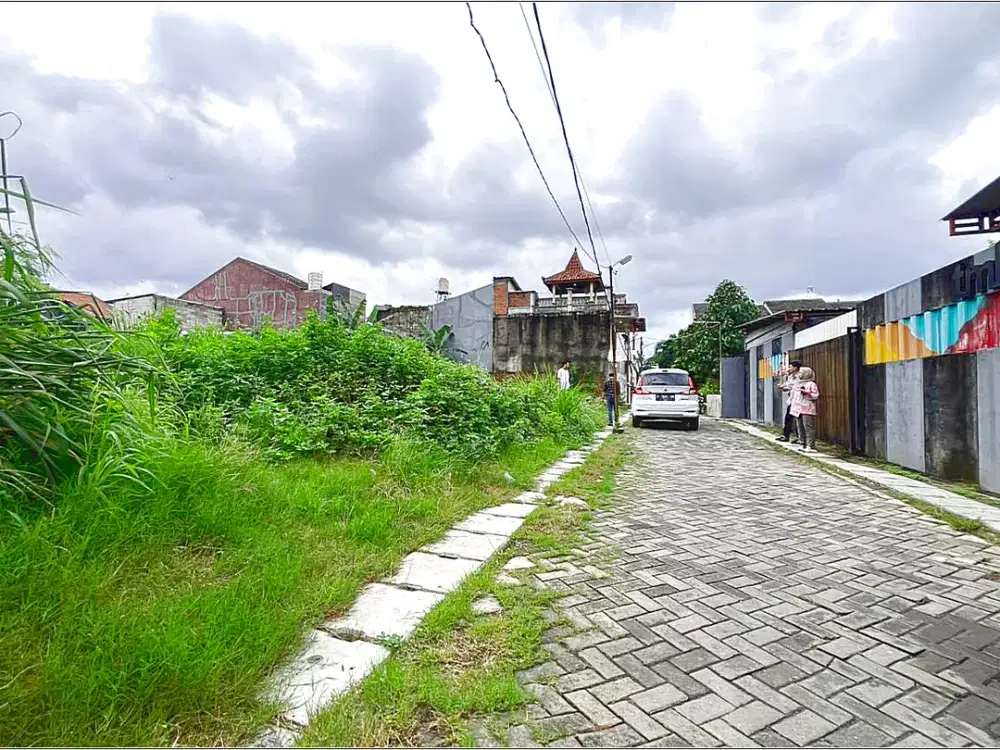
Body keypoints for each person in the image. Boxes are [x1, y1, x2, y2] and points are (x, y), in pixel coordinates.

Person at [791, 366, 820, 452]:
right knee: (800, 427)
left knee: (808, 426)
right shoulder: (798, 383)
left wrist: (807, 393)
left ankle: (811, 445)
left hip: (807, 408)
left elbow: (816, 395)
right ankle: (802, 443)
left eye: (801, 373)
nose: (799, 374)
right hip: (798, 408)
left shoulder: (811, 384)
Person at [776, 360, 802, 443]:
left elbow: (793, 386)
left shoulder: (800, 377)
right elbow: (787, 387)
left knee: (799, 421)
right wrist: (782, 386)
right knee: (788, 418)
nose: (789, 369)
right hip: (792, 400)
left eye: (790, 367)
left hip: (799, 401)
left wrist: (784, 386)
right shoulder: (791, 377)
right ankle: (785, 435)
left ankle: (800, 438)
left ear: (795, 367)